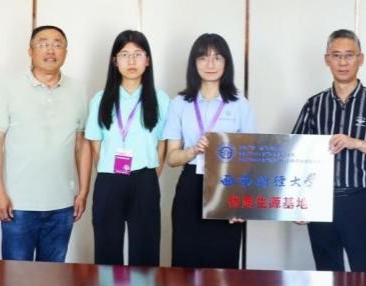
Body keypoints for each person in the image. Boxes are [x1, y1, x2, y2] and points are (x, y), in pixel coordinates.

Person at [292, 29, 366, 272]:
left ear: (360, 59)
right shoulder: (314, 105)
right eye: (336, 55)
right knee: (325, 275)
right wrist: (299, 203)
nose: (343, 62)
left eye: (349, 55)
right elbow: (295, 156)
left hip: (361, 200)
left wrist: (356, 143)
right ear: (327, 60)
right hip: (320, 200)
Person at [0, 25, 91, 262]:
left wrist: (83, 191)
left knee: (53, 278)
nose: (50, 50)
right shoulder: (8, 86)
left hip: (63, 205)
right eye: (43, 44)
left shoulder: (78, 90)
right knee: (15, 277)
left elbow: (82, 144)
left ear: (65, 52)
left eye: (57, 44)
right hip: (18, 204)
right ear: (30, 51)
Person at [163, 33, 256, 269]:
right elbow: (171, 157)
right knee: (186, 261)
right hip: (190, 184)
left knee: (223, 264)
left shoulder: (240, 104)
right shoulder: (180, 103)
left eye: (217, 57)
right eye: (203, 57)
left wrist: (242, 202)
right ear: (194, 63)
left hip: (227, 186)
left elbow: (249, 159)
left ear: (226, 63)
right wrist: (192, 151)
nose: (210, 64)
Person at [86, 30, 169, 266]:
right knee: (107, 247)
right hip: (109, 179)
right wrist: (110, 171)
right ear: (115, 61)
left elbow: (163, 144)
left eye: (138, 54)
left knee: (145, 249)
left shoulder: (161, 99)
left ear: (147, 60)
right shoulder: (101, 98)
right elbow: (94, 143)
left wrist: (150, 175)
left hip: (145, 179)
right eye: (124, 54)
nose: (131, 61)